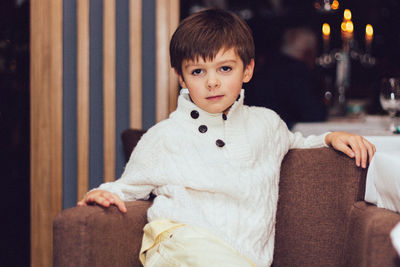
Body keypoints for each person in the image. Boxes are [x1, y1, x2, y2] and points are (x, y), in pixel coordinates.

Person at [78, 9, 375, 267]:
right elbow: (125, 187)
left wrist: (330, 137)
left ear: (247, 70)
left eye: (225, 68)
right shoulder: (165, 136)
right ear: (181, 78)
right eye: (197, 71)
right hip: (179, 245)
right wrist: (105, 193)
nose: (212, 81)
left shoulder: (266, 124)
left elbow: (295, 141)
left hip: (242, 258)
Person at [245, 26, 327, 129]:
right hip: (283, 135)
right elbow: (314, 114)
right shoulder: (296, 71)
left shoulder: (265, 67)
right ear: (308, 52)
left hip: (256, 129)